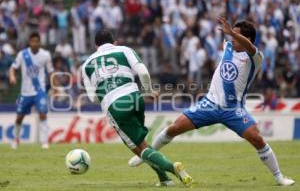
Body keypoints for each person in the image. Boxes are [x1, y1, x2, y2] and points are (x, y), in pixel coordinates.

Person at [128, 18, 295, 186]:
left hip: (233, 109)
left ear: (248, 39)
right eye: (231, 36)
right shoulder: (228, 46)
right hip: (209, 103)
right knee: (173, 128)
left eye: (236, 36)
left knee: (257, 139)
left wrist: (231, 33)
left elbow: (251, 48)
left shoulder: (255, 57)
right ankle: (145, 154)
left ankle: (279, 177)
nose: (231, 39)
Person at [81, 30, 193, 187]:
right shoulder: (125, 50)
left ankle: (172, 168)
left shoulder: (86, 64)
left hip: (115, 105)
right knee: (142, 144)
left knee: (137, 148)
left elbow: (92, 97)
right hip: (135, 98)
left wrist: (106, 87)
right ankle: (164, 179)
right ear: (115, 42)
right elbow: (143, 72)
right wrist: (148, 91)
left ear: (96, 46)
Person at [9, 32, 54, 149]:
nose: (35, 43)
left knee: (43, 114)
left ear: (40, 42)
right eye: (33, 41)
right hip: (25, 92)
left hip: (40, 91)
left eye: (37, 41)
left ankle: (45, 142)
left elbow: (51, 72)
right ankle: (15, 139)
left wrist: (54, 85)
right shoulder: (22, 54)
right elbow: (13, 68)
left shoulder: (45, 55)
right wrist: (12, 77)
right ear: (30, 42)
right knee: (19, 117)